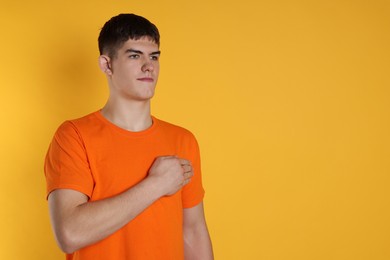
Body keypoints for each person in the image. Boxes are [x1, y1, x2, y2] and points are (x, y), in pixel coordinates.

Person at [44, 13, 213, 260]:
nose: (149, 66)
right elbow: (70, 233)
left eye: (154, 56)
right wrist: (156, 184)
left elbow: (193, 231)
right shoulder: (73, 136)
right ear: (107, 65)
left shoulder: (182, 140)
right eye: (134, 55)